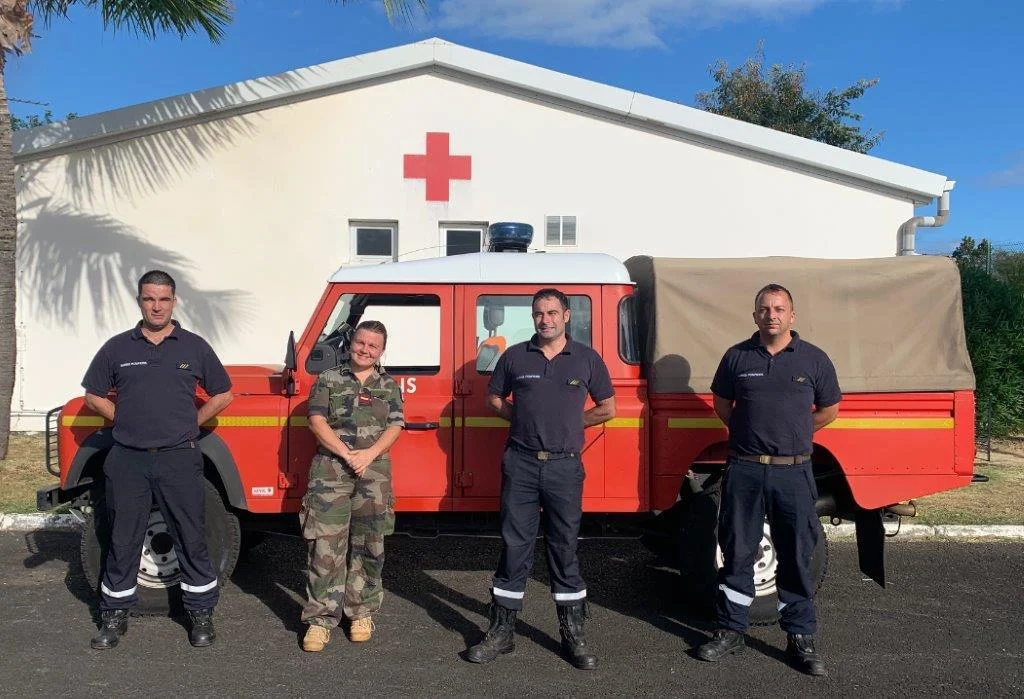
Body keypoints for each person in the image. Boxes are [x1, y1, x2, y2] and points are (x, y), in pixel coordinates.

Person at [82, 270, 234, 650]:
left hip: (178, 457)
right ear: (139, 301)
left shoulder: (194, 347)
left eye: (163, 299)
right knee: (123, 538)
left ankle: (201, 615)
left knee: (190, 535)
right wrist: (123, 419)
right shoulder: (118, 348)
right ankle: (114, 617)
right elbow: (92, 395)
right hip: (128, 459)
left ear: (174, 301)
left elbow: (223, 394)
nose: (156, 306)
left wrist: (191, 423)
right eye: (149, 298)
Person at [466, 288, 616, 670]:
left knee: (564, 547)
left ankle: (573, 635)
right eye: (538, 313)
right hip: (521, 463)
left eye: (552, 312)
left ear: (567, 315)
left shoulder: (587, 358)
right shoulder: (515, 356)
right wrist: (520, 420)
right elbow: (494, 399)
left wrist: (570, 423)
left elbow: (607, 407)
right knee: (514, 546)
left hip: (565, 467)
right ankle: (501, 633)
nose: (545, 319)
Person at [696, 283, 841, 676]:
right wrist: (747, 434)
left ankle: (801, 638)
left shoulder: (812, 359)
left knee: (795, 554)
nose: (771, 314)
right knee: (737, 549)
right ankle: (730, 630)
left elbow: (829, 409)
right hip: (745, 468)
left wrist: (796, 432)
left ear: (791, 315)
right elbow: (722, 404)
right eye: (764, 308)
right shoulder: (737, 357)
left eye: (779, 308)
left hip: (793, 471)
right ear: (755, 313)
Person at [300, 320, 405, 652]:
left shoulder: (388, 384)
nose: (365, 350)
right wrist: (347, 453)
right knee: (325, 547)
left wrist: (369, 454)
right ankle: (319, 620)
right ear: (351, 343)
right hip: (331, 471)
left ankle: (360, 612)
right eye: (361, 343)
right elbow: (316, 420)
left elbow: (396, 425)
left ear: (381, 351)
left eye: (373, 346)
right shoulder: (329, 379)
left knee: (370, 544)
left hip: (373, 474)